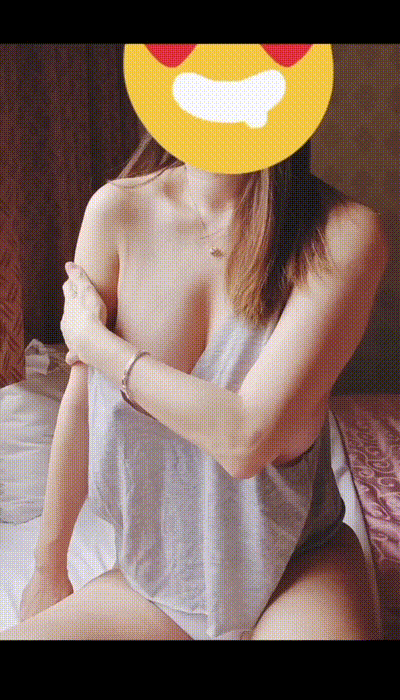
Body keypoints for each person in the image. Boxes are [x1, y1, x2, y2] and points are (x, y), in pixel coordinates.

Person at [1, 129, 388, 640]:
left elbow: (245, 441)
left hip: (298, 570)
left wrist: (95, 343)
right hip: (155, 582)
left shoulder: (346, 233)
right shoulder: (116, 212)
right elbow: (81, 405)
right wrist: (48, 570)